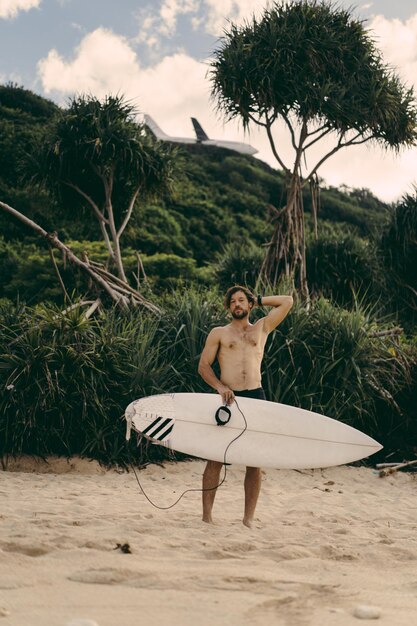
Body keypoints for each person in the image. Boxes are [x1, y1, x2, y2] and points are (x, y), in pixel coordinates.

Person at [198, 285, 293, 527]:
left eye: (242, 301)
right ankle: (207, 517)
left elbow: (287, 301)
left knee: (254, 460)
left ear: (250, 305)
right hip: (227, 399)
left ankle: (248, 519)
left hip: (256, 396)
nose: (237, 305)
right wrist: (220, 387)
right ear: (228, 308)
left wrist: (258, 298)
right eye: (233, 302)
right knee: (215, 457)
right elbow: (203, 366)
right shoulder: (218, 333)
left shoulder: (262, 327)